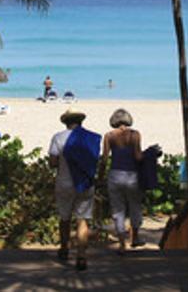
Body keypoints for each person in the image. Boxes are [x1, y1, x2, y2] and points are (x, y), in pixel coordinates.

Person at [49, 109, 100, 271]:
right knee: (82, 220)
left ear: (65, 122)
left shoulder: (58, 138)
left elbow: (52, 162)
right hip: (85, 183)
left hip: (64, 183)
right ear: (81, 121)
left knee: (64, 218)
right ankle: (81, 256)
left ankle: (64, 249)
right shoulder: (91, 138)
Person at [102, 108, 144, 252]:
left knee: (118, 209)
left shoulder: (109, 136)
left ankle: (121, 243)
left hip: (115, 174)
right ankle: (135, 237)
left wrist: (101, 176)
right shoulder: (135, 135)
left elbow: (104, 158)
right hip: (132, 175)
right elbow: (138, 156)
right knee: (135, 206)